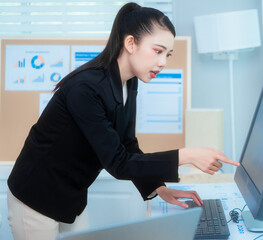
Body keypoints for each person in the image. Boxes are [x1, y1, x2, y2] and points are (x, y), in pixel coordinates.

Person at [7, 2, 239, 240]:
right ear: (130, 43)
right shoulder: (86, 88)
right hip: (36, 193)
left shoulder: (129, 82)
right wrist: (187, 155)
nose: (163, 63)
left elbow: (126, 143)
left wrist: (157, 188)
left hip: (70, 194)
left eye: (168, 55)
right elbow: (118, 163)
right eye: (158, 51)